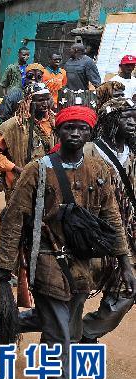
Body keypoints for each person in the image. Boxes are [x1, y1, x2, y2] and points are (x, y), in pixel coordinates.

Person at [0, 106, 134, 379]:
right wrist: (5, 266)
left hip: (84, 262)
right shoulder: (38, 169)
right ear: (59, 131)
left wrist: (124, 261)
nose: (75, 133)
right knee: (61, 333)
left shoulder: (98, 167)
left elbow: (111, 215)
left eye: (81, 129)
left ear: (89, 134)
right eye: (68, 127)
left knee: (65, 324)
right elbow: (13, 216)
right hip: (47, 257)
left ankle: (12, 322)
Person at [80, 99, 136, 343]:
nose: (133, 122)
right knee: (73, 295)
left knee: (126, 289)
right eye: (127, 117)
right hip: (90, 235)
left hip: (126, 238)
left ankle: (85, 332)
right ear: (111, 120)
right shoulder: (87, 151)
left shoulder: (133, 154)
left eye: (135, 117)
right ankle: (19, 321)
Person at [0, 83, 55, 206]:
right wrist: (14, 168)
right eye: (40, 100)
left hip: (48, 183)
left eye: (47, 98)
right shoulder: (13, 125)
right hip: (19, 184)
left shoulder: (56, 123)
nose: (45, 103)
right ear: (28, 101)